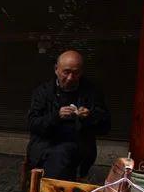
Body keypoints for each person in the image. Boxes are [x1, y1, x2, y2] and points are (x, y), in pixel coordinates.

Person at [26, 50, 110, 181]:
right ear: (56, 69)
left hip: (79, 146)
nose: (70, 78)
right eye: (66, 72)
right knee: (60, 158)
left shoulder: (92, 92)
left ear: (81, 72)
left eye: (75, 73)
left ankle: (52, 191)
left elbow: (105, 126)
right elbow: (33, 124)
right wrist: (56, 116)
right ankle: (56, 191)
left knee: (65, 155)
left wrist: (89, 117)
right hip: (45, 145)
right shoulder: (42, 92)